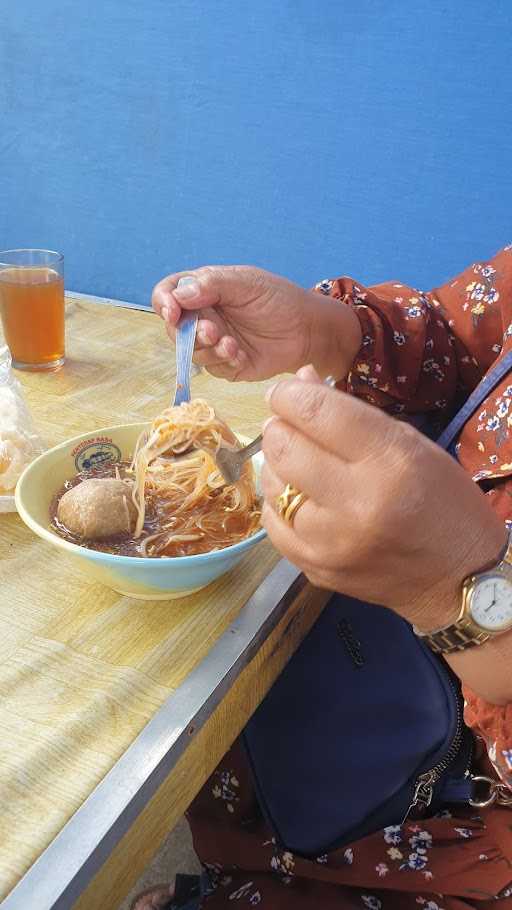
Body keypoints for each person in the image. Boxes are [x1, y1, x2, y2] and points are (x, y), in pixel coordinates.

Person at [134, 246, 512, 909]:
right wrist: (328, 331)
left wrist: (463, 592)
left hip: (470, 832)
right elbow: (460, 335)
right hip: (377, 678)